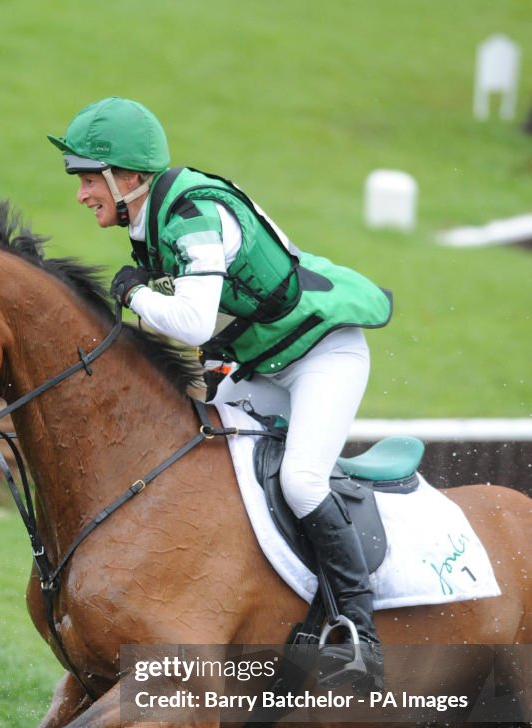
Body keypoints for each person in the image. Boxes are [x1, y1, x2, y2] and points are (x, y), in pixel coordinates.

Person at [48, 96, 393, 693]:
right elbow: (217, 326)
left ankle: (357, 630)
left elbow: (193, 320)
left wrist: (130, 293)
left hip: (323, 359)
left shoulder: (193, 213)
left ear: (125, 176)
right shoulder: (150, 220)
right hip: (265, 363)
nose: (80, 194)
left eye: (86, 178)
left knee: (302, 481)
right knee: (200, 457)